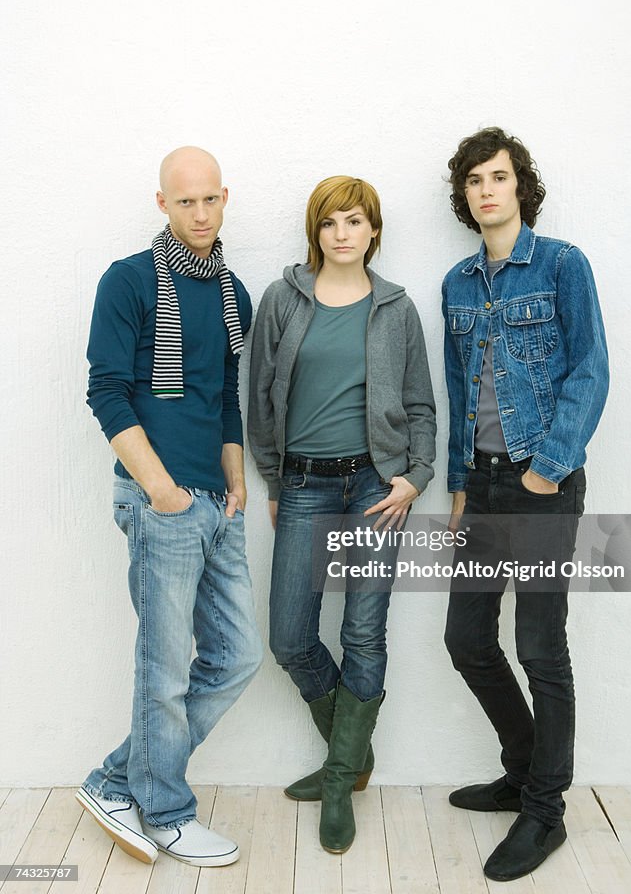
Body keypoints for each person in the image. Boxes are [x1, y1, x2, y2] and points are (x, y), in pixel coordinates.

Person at [77, 147, 263, 868]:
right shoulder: (127, 282)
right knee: (165, 669)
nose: (199, 214)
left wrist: (235, 476)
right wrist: (160, 487)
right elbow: (108, 393)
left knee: (238, 656)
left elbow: (222, 395)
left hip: (218, 501)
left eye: (209, 200)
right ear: (163, 203)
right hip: (160, 503)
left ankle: (115, 779)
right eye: (184, 202)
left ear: (225, 197)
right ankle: (166, 811)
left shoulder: (230, 294)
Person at [248, 175, 436, 854]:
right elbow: (261, 396)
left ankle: (336, 783)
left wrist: (415, 477)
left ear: (374, 231)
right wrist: (273, 477)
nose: (342, 234)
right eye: (330, 223)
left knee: (363, 630)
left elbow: (420, 405)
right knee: (291, 636)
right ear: (315, 232)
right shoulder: (282, 299)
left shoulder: (396, 308)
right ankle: (350, 759)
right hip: (302, 483)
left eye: (355, 221)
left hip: (375, 488)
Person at [441, 128, 609, 882]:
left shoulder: (564, 266)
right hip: (480, 484)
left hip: (543, 484)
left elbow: (590, 371)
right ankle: (523, 769)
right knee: (467, 638)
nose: (486, 190)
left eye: (498, 177)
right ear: (465, 196)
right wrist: (456, 479)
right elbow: (455, 389)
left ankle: (546, 811)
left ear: (520, 187)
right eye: (474, 180)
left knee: (541, 648)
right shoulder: (455, 284)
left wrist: (549, 467)